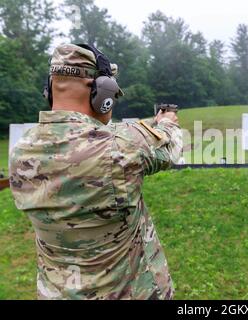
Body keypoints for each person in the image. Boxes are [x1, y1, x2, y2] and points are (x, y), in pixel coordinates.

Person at [9, 43, 182, 300]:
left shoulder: (21, 152)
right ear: (102, 93)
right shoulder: (123, 145)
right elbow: (169, 149)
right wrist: (166, 123)